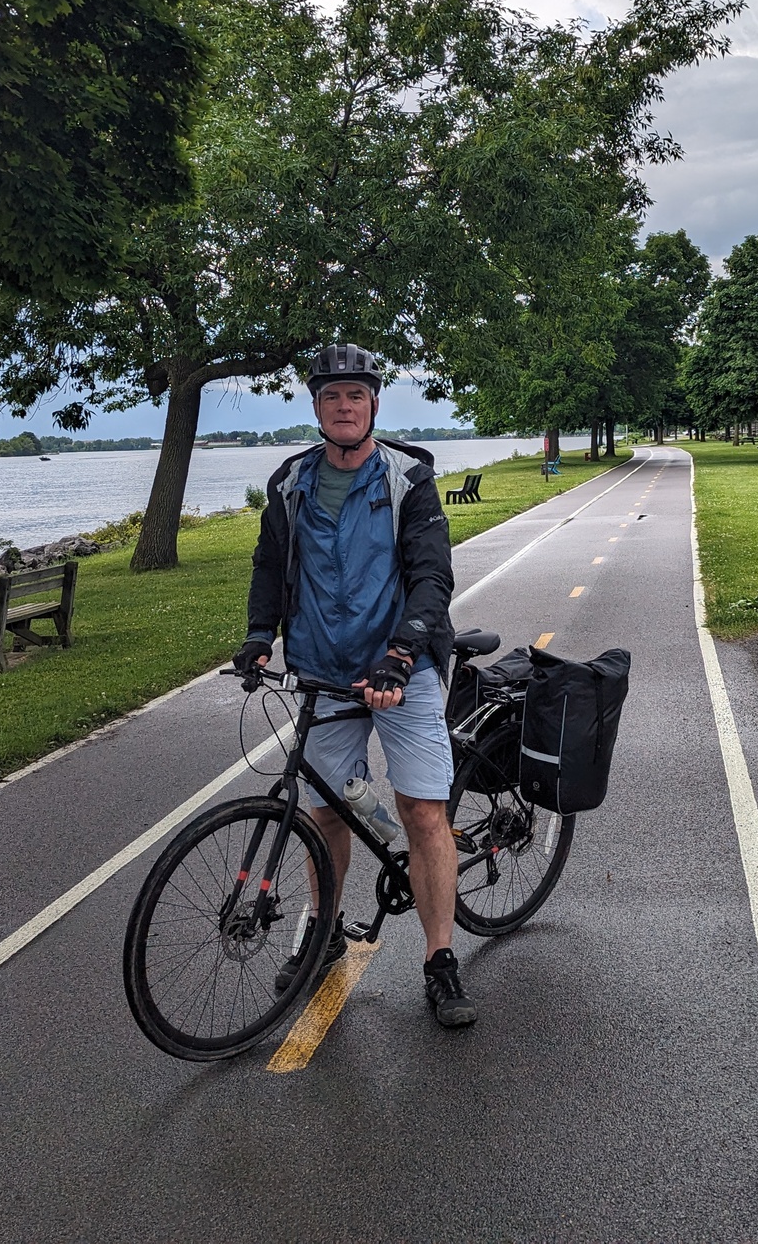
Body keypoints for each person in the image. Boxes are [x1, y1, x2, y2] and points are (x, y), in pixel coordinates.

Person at [233, 343, 476, 1029]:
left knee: (421, 812)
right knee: (326, 812)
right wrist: (259, 634)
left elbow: (431, 575)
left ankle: (439, 957)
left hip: (402, 668)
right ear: (315, 406)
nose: (344, 406)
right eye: (332, 395)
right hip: (322, 669)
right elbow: (268, 565)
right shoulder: (290, 483)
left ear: (373, 405)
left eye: (356, 395)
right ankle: (326, 931)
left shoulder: (407, 478)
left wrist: (401, 654)